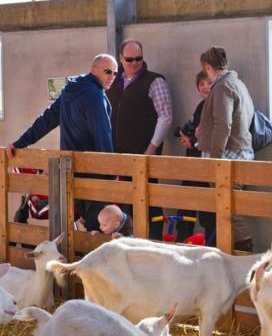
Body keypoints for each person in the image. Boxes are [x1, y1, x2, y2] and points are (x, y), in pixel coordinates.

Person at [6, 53, 118, 231]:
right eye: (107, 71)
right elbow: (102, 135)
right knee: (98, 229)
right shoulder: (95, 95)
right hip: (93, 172)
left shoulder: (70, 90)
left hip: (70, 171)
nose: (112, 77)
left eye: (115, 73)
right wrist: (111, 174)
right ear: (94, 70)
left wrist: (20, 142)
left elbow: (46, 120)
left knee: (75, 229)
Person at [107, 39, 173, 240]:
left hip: (144, 155)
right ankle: (132, 243)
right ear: (120, 59)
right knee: (126, 201)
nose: (135, 63)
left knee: (149, 201)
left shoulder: (155, 81)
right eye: (130, 59)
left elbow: (166, 115)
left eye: (139, 59)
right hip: (118, 155)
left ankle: (154, 242)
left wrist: (152, 148)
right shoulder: (113, 82)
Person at [197, 46, 255, 251]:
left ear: (207, 66)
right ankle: (236, 252)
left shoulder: (222, 87)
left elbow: (224, 123)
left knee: (228, 209)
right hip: (241, 150)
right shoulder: (237, 83)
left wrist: (215, 158)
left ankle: (243, 253)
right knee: (230, 207)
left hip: (228, 154)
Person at [175, 70, 215, 243]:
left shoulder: (214, 107)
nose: (205, 87)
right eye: (201, 84)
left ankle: (211, 244)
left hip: (205, 165)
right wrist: (186, 137)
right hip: (192, 163)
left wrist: (192, 140)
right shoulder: (201, 105)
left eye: (209, 83)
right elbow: (194, 128)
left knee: (207, 208)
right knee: (186, 203)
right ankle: (183, 240)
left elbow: (206, 134)